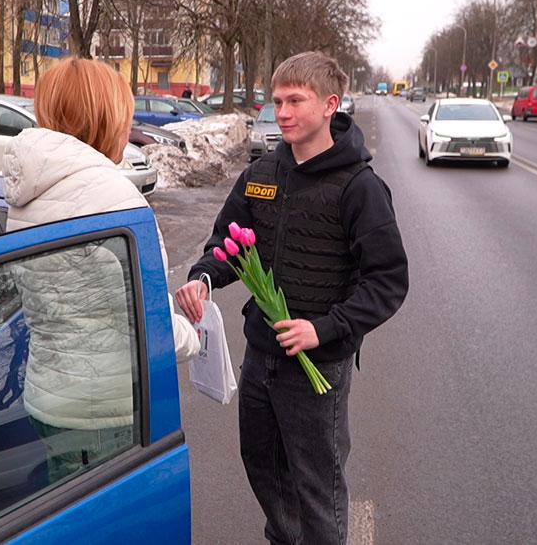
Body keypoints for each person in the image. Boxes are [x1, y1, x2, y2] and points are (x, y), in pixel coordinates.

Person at [175, 51, 409, 544]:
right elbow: (227, 244)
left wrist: (322, 329)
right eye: (276, 100)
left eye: (294, 100)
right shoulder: (262, 174)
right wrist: (203, 277)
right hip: (262, 355)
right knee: (263, 466)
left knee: (317, 487)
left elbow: (387, 280)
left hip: (318, 364)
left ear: (329, 104)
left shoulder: (359, 187)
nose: (282, 111)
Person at [2, 57, 200, 482]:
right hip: (101, 416)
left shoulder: (28, 193)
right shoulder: (113, 199)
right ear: (105, 119)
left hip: (48, 397)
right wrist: (197, 338)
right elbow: (148, 322)